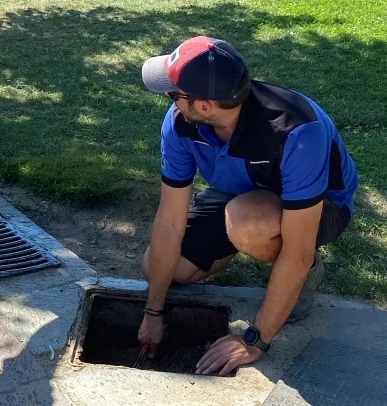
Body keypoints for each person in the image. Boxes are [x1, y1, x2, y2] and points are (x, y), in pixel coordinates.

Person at [137, 36, 358, 376]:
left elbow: (296, 251)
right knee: (160, 270)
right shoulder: (180, 121)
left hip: (320, 206)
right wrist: (154, 312)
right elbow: (169, 222)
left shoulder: (297, 130)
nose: (169, 101)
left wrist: (254, 339)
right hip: (239, 194)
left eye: (173, 93)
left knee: (248, 223)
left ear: (206, 106)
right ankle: (239, 236)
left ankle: (305, 274)